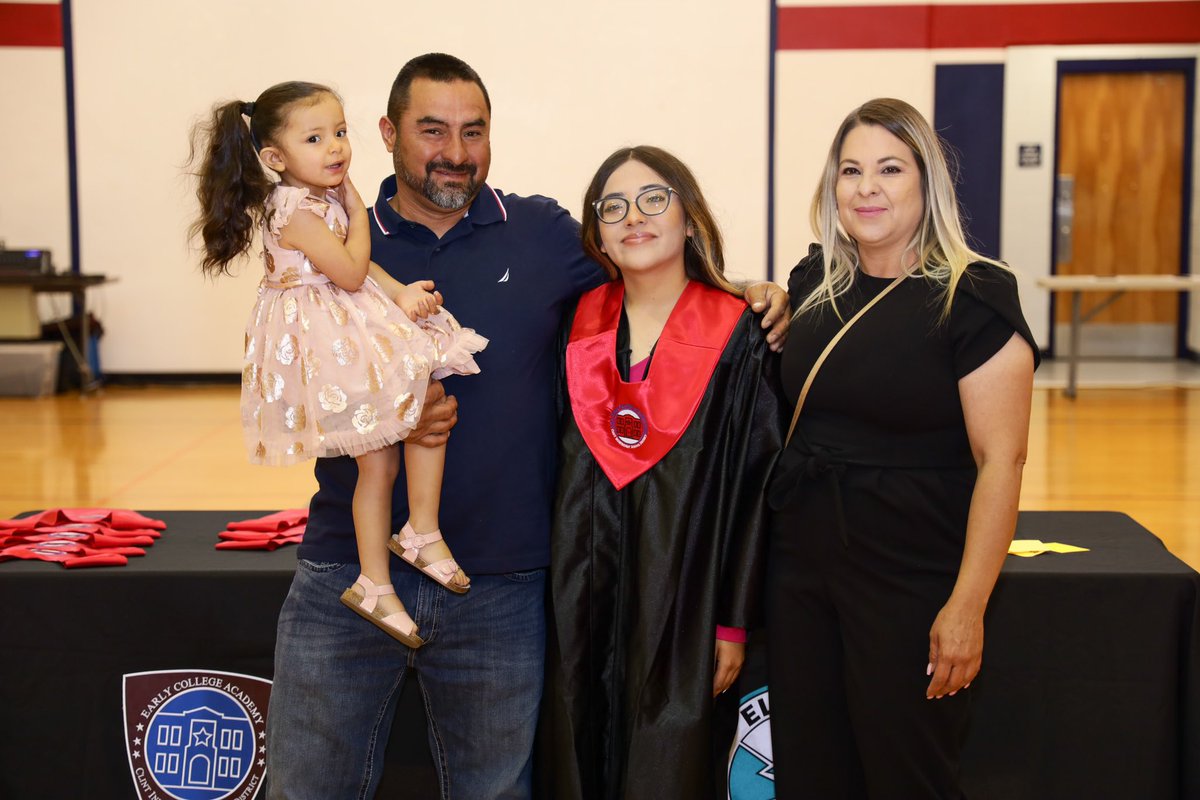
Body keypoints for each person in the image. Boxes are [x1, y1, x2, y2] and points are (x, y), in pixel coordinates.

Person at [262, 54, 791, 800]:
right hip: (347, 573)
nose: (455, 151)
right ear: (386, 132)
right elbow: (288, 369)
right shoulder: (334, 235)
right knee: (306, 789)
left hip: (501, 587)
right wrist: (391, 410)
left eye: (473, 131)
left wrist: (743, 289)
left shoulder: (541, 233)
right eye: (433, 130)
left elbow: (644, 265)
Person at [766, 97, 1038, 798]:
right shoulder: (813, 283)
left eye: (890, 169)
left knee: (907, 774)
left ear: (926, 182)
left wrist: (967, 606)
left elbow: (1002, 462)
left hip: (911, 575)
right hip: (801, 570)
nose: (867, 188)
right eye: (851, 170)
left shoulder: (974, 295)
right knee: (810, 769)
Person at [189, 81, 484, 649]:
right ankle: (381, 573)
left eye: (340, 132)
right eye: (315, 138)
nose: (335, 147)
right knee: (385, 448)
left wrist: (399, 293)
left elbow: (360, 271)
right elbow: (349, 271)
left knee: (416, 403)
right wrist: (357, 210)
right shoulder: (295, 210)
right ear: (275, 158)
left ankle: (416, 535)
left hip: (348, 319)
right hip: (327, 341)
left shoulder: (313, 203)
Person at [545, 146, 783, 800]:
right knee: (576, 746)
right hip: (579, 594)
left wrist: (732, 621)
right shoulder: (573, 326)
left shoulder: (740, 334)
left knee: (668, 764)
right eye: (613, 207)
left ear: (689, 218)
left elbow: (754, 490)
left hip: (689, 602)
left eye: (654, 199)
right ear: (597, 234)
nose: (634, 217)